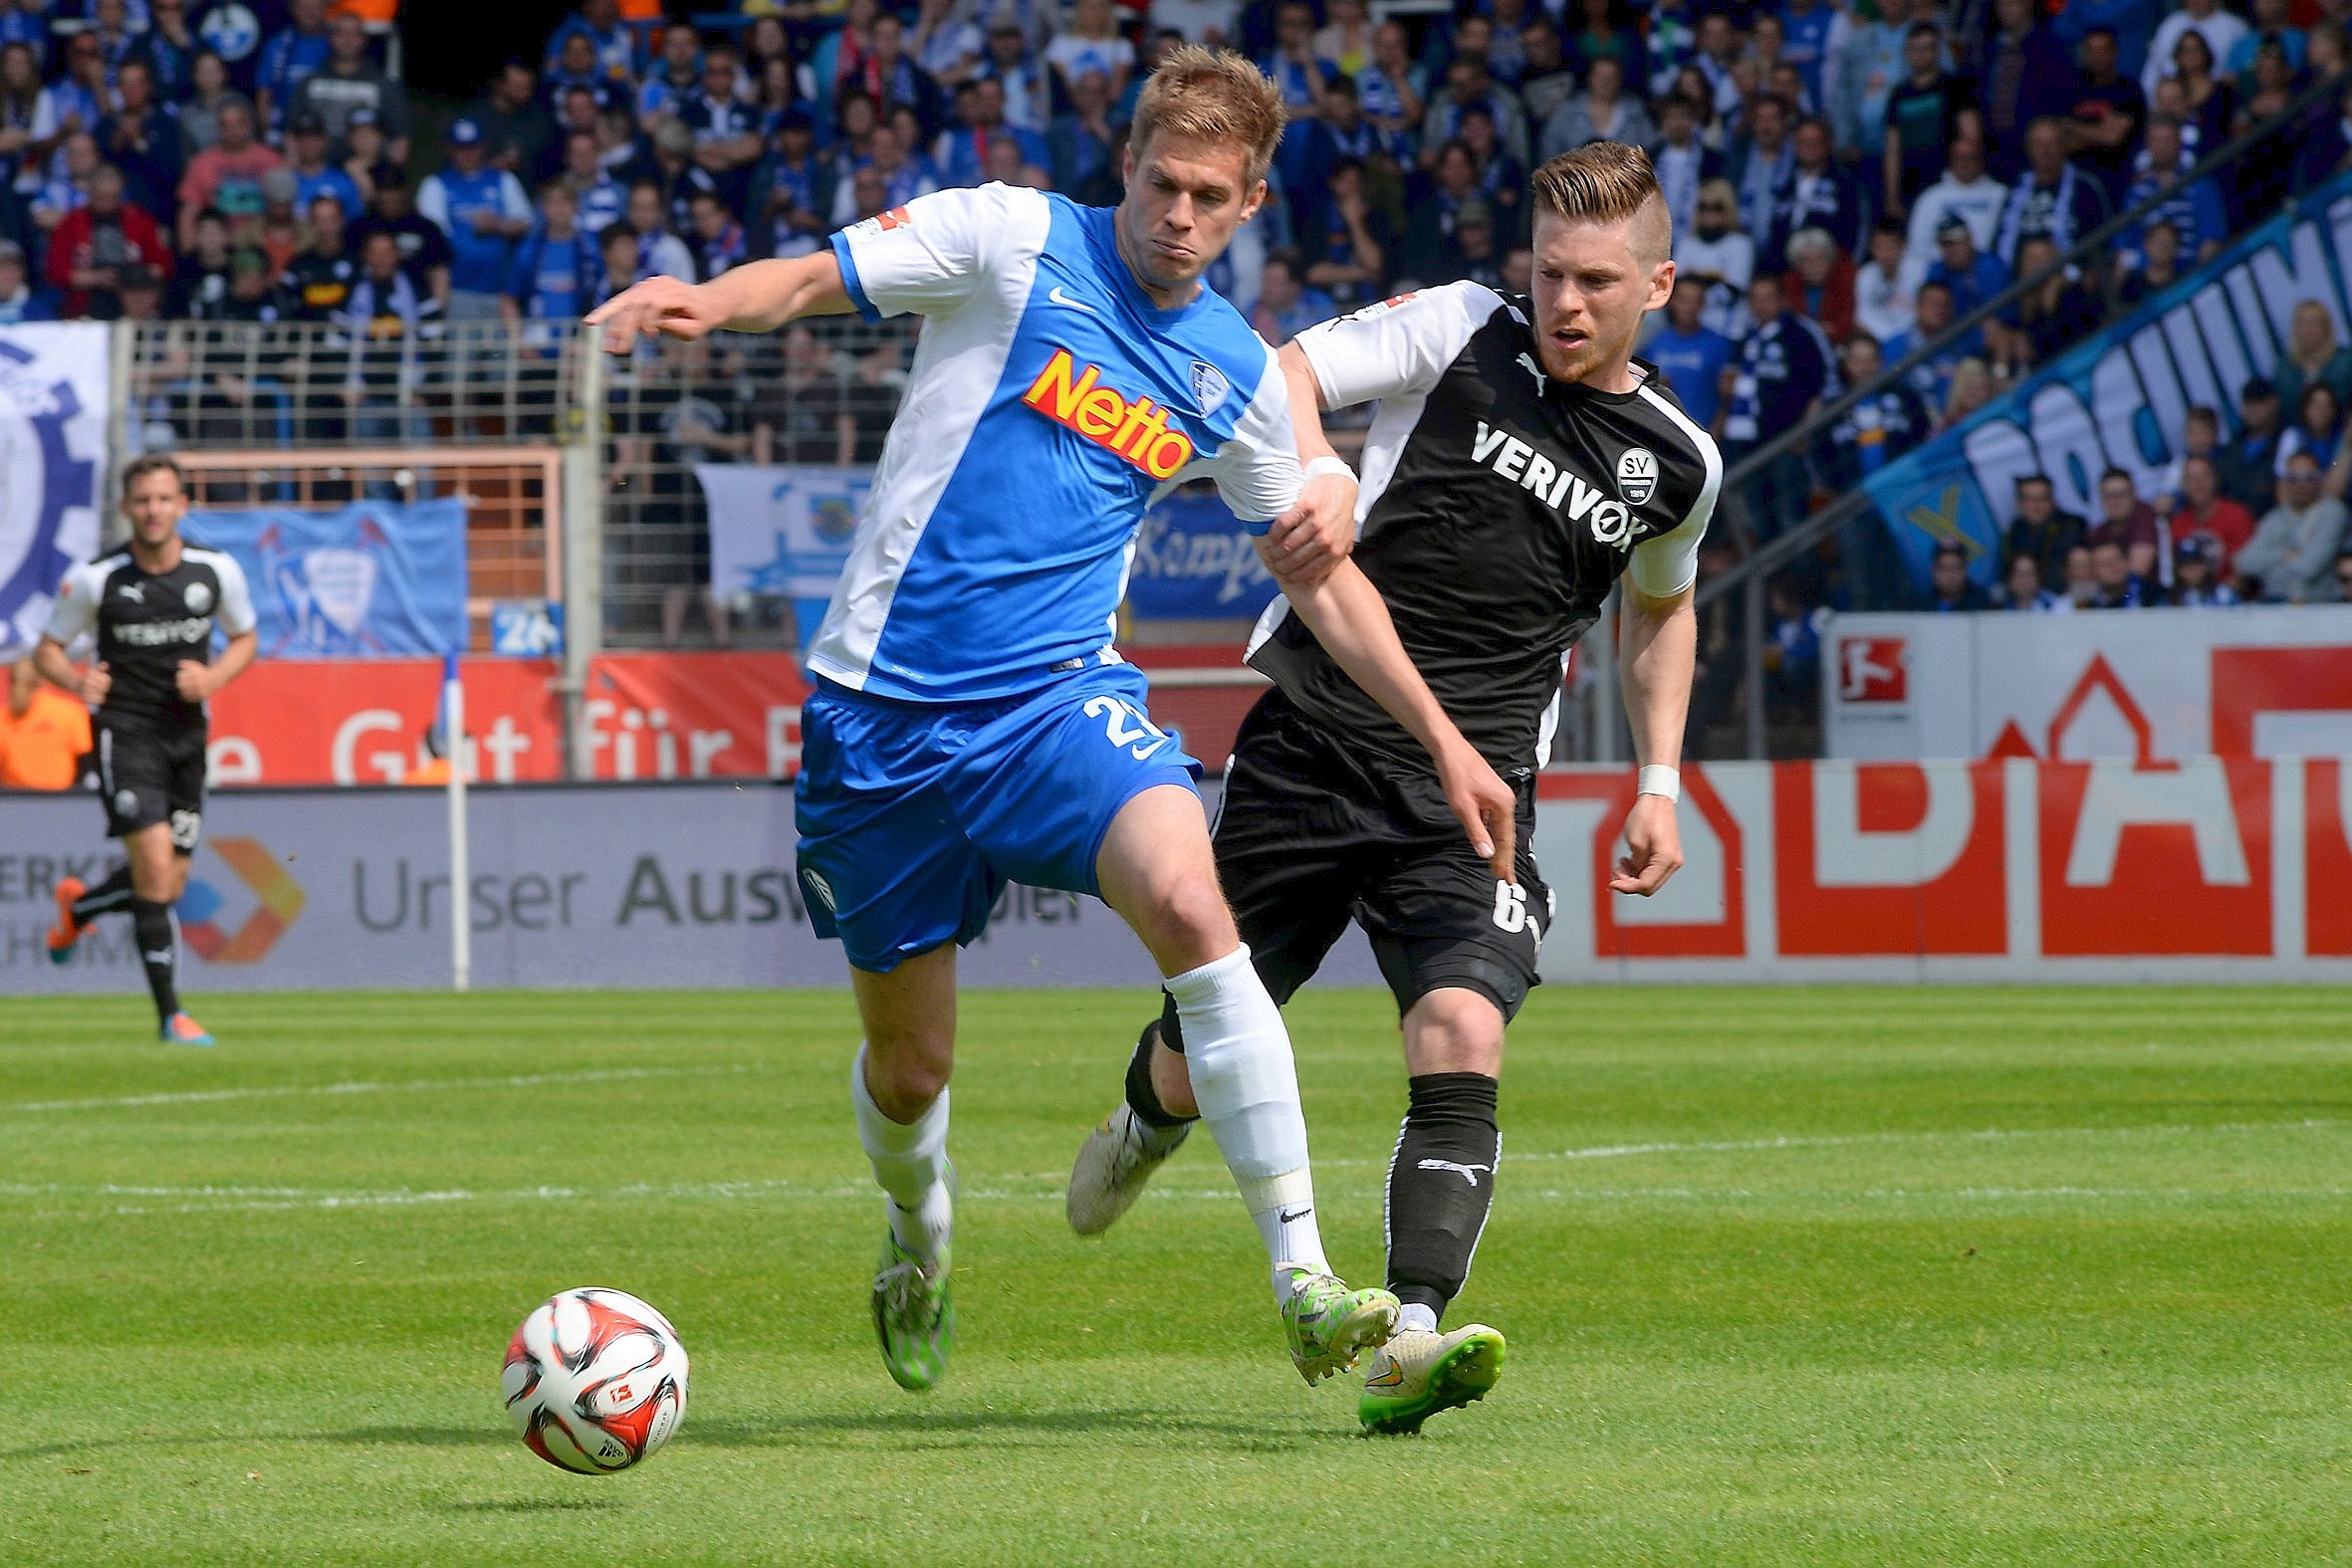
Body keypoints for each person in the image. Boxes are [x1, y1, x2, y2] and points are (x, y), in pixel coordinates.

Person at [586, 45, 1517, 1401]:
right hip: (877, 719)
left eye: (1207, 195)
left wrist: (1445, 739)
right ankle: (918, 1228)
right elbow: (811, 276)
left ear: (1250, 203)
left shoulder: (1234, 374)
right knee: (912, 1068)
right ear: (1123, 166)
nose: (1176, 214)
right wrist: (706, 302)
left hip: (1055, 704)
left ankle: (1307, 1282)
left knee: (1202, 916)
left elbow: (1319, 575)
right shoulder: (1009, 236)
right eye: (1159, 182)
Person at [1065, 140, 1717, 1437]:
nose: (1563, 301)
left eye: (1595, 280)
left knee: (1460, 1034)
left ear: (1658, 284)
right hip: (1311, 744)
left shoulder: (1675, 461)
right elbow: (1289, 369)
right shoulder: (1460, 327)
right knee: (1199, 1053)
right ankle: (1147, 1113)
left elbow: (1662, 608)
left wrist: (1657, 777)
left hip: (1470, 796)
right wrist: (1318, 475)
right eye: (1548, 271)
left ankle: (1412, 1332)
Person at [38, 454, 257, 1045]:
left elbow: (245, 639)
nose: (153, 511)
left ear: (182, 505)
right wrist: (77, 681)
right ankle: (171, 1016)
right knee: (156, 869)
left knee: (171, 881)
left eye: (164, 500)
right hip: (125, 734)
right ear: (126, 508)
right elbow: (49, 650)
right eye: (142, 501)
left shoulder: (215, 572)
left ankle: (80, 911)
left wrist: (213, 680)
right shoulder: (98, 578)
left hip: (186, 738)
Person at [1723, 270, 1835, 540]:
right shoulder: (1745, 337)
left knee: (1791, 517)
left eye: (1769, 298)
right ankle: (1776, 580)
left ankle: (1806, 579)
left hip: (1787, 442)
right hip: (1748, 444)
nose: (1762, 305)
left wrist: (1806, 430)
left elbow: (1825, 384)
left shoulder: (1800, 334)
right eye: (1756, 299)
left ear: (1783, 299)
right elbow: (1729, 384)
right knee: (1758, 518)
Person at [418, 118, 533, 322]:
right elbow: (432, 237)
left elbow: (526, 222)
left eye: (472, 147)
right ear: (450, 149)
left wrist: (497, 225)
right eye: (460, 148)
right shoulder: (436, 185)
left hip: (501, 289)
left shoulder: (503, 179)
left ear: (483, 147)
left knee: (501, 351)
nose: (467, 154)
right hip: (459, 289)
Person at [2239, 450, 2349, 601]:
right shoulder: (2275, 517)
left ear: (2319, 480)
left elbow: (2309, 568)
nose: (2301, 484)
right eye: (2294, 478)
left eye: (2308, 477)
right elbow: (2244, 562)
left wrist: (2268, 568)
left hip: (2320, 605)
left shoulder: (2332, 512)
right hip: (2274, 601)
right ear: (2285, 482)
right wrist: (2284, 555)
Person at [1648, 272, 1732, 433]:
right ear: (1672, 301)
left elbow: (1728, 398)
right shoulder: (1655, 344)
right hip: (1665, 435)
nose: (1688, 307)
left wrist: (1715, 434)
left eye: (1695, 301)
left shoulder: (1720, 344)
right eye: (1683, 299)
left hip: (1705, 433)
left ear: (1703, 304)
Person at [0, 652, 91, 788]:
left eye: (26, 683)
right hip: (15, 799)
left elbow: (86, 761)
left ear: (37, 683)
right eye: (15, 682)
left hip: (62, 798)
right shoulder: (3, 717)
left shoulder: (68, 713)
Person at [2004, 473, 2087, 583]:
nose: (2036, 506)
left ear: (2053, 501)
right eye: (2029, 499)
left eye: (2042, 499)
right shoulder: (2013, 533)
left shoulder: (2072, 526)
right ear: (2019, 504)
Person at [2085, 536, 2156, 607]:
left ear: (2127, 562)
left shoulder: (2154, 595)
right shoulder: (2088, 602)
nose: (2113, 567)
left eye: (2116, 560)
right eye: (2105, 564)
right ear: (2093, 571)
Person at [2168, 537, 2239, 605]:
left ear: (2204, 566)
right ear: (2178, 569)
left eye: (2196, 565)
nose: (2192, 571)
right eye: (2187, 566)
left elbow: (2239, 614)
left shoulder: (2223, 594)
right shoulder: (2170, 597)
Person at [1924, 541, 1992, 610]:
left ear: (1965, 570)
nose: (1950, 575)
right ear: (1933, 571)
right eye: (1944, 568)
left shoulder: (1984, 605)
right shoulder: (1921, 606)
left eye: (1955, 568)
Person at [1998, 550, 2068, 611]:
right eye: (2018, 574)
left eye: (2029, 574)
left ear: (2038, 577)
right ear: (2009, 579)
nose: (2023, 580)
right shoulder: (2000, 609)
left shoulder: (2056, 605)